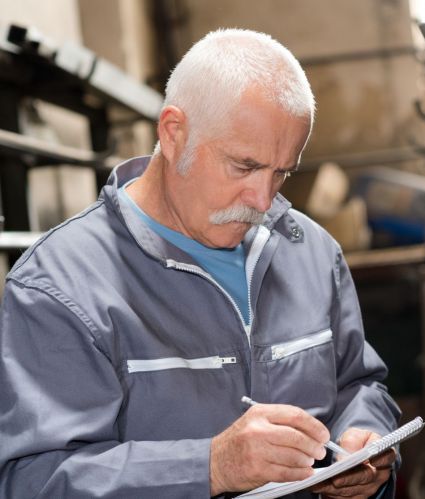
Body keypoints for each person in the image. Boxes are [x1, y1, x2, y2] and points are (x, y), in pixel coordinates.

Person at [0, 28, 401, 498]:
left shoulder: (311, 252)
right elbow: (33, 482)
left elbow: (359, 383)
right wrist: (209, 467)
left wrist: (365, 443)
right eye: (245, 166)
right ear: (174, 133)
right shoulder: (58, 287)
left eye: (282, 172)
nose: (262, 199)